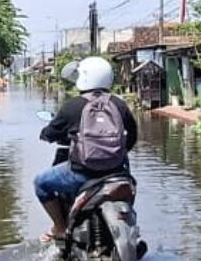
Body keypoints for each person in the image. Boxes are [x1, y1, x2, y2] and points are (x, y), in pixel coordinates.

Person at [34, 56, 137, 243]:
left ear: (83, 77)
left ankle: (60, 227)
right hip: (117, 174)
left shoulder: (73, 106)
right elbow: (132, 138)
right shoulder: (119, 104)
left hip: (82, 175)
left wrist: (46, 134)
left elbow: (51, 132)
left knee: (40, 183)